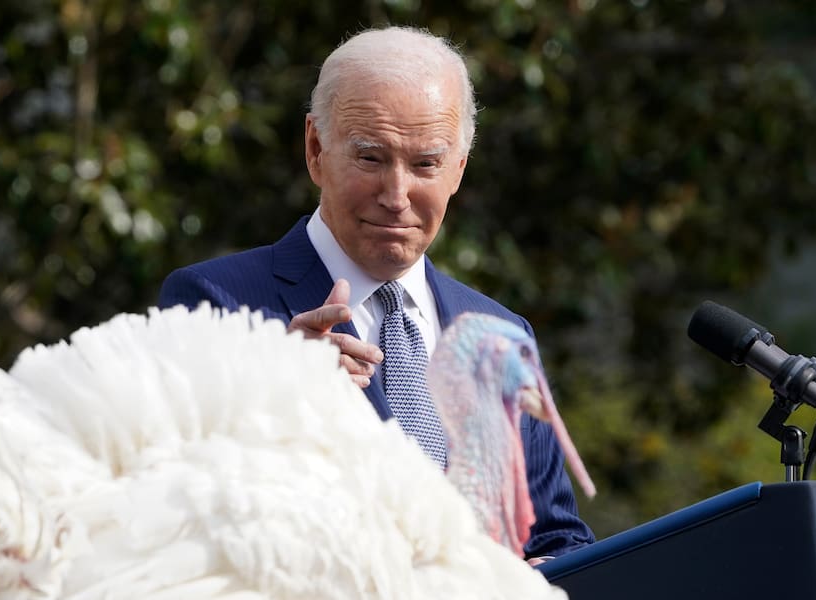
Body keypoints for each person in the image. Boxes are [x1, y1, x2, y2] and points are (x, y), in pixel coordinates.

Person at [158, 26, 593, 558]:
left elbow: (557, 540)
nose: (396, 195)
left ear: (458, 169)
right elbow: (170, 516)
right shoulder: (216, 305)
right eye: (371, 157)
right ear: (316, 149)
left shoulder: (501, 336)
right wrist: (273, 400)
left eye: (425, 163)